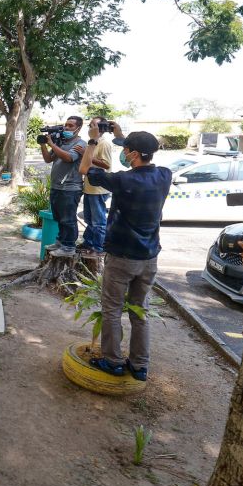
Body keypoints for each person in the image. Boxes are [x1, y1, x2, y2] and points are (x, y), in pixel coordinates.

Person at [78, 126, 170, 380]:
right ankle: (140, 366)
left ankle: (113, 361)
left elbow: (84, 169)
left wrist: (93, 140)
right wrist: (122, 137)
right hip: (149, 258)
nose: (123, 152)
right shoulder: (164, 175)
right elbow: (140, 150)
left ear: (131, 154)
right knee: (140, 312)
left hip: (122, 258)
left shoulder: (123, 180)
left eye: (125, 149)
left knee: (112, 310)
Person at [40, 116, 87, 257]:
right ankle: (61, 241)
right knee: (59, 217)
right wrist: (43, 144)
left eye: (71, 125)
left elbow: (69, 158)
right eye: (66, 125)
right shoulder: (61, 142)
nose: (66, 127)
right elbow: (48, 159)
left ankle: (69, 247)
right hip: (57, 186)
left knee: (68, 219)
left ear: (78, 128)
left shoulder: (80, 144)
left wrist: (52, 144)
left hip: (71, 188)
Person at [80, 116, 114, 254]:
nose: (90, 127)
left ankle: (98, 248)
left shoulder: (104, 143)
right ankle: (88, 243)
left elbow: (107, 164)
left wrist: (88, 156)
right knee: (89, 219)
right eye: (90, 125)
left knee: (98, 221)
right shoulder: (92, 143)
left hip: (99, 189)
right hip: (89, 187)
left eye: (93, 125)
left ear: (100, 128)